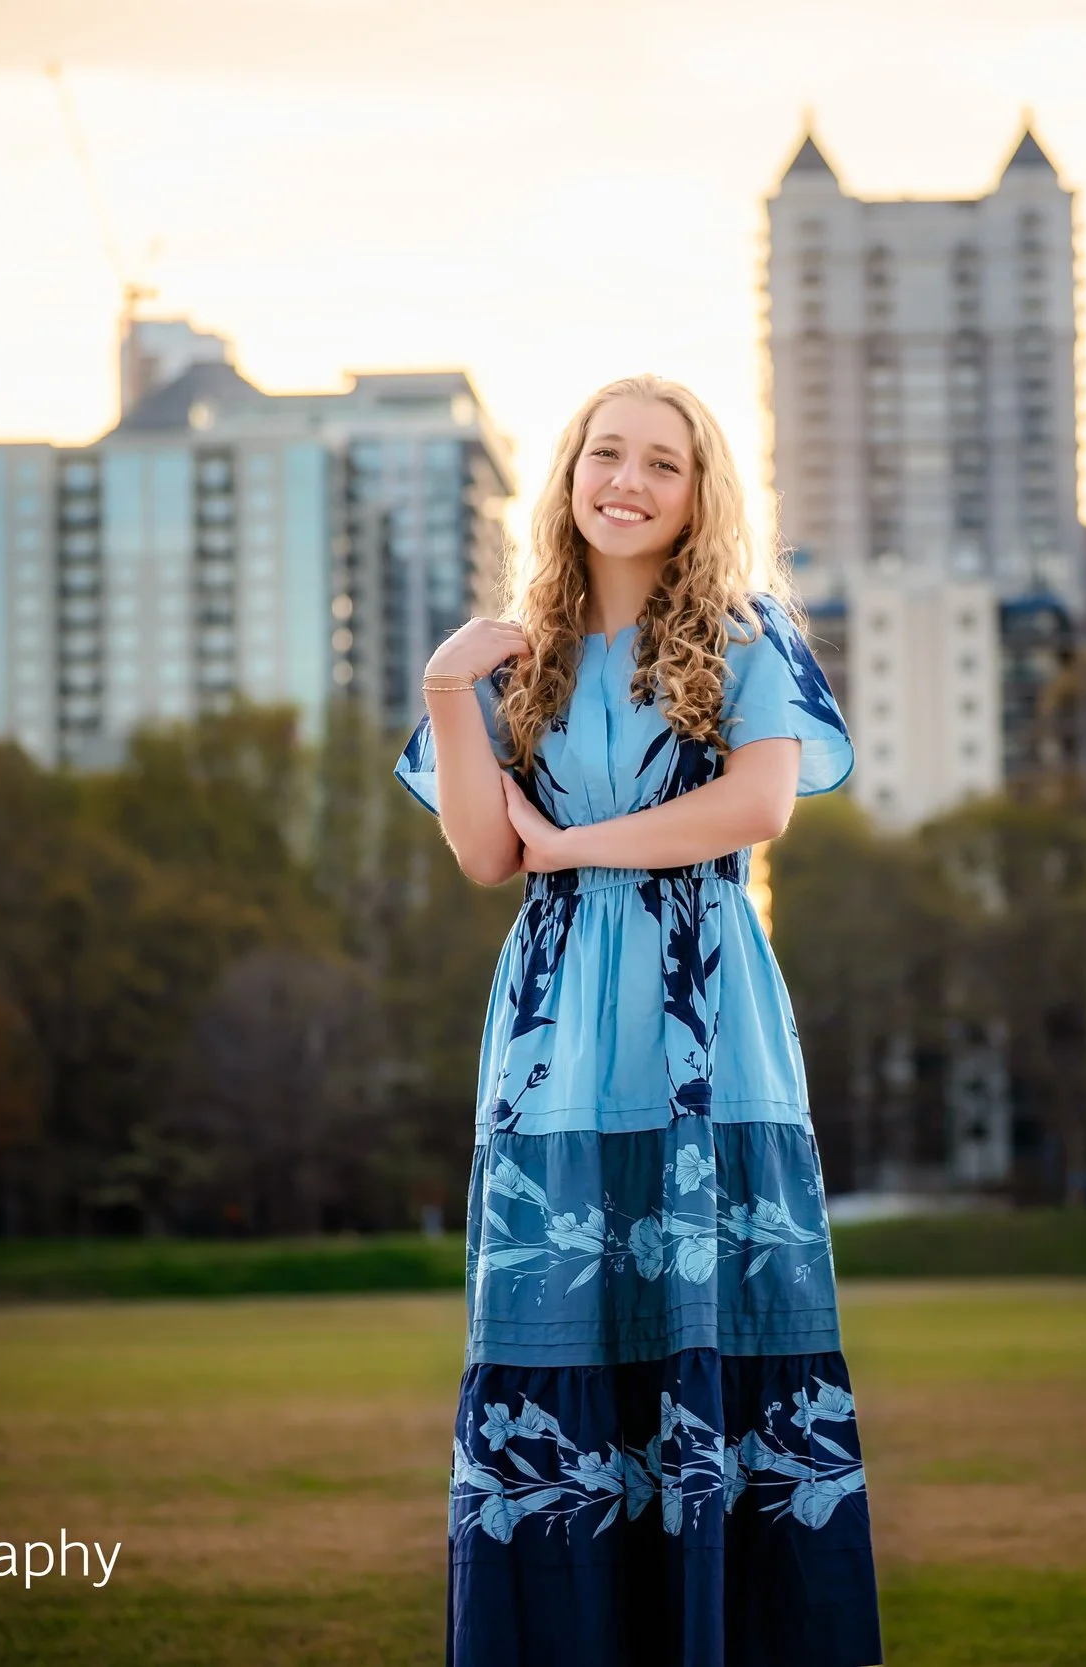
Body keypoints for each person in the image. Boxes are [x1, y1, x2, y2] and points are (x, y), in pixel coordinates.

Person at [394, 374, 882, 1666]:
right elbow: (488, 855)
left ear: (699, 494)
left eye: (662, 463)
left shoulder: (740, 631)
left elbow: (759, 807)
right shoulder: (519, 661)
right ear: (567, 476)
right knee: (559, 1324)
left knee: (712, 1316)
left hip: (703, 1014)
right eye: (605, 453)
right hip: (556, 1027)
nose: (627, 479)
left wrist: (581, 843)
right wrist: (452, 687)